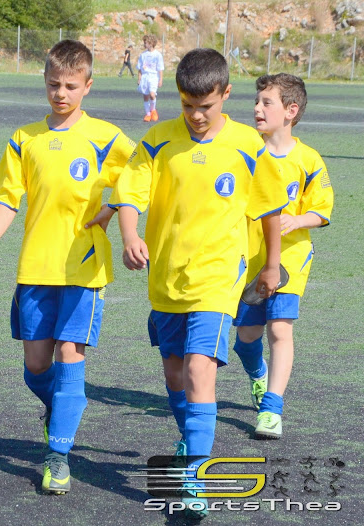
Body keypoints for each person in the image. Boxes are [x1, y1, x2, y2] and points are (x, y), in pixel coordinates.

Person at [101, 48, 288, 519]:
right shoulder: (157, 140)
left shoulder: (249, 145)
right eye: (188, 105)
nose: (196, 115)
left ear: (225, 94)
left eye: (206, 106)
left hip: (218, 279)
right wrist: (130, 236)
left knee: (200, 370)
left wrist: (271, 266)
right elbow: (129, 195)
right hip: (166, 279)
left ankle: (194, 477)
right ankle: (189, 439)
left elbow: (269, 211)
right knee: (175, 376)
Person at [0, 40, 135, 495]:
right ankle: (63, 406)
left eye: (70, 86)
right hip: (35, 267)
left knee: (69, 355)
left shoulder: (106, 137)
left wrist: (112, 210)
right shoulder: (25, 138)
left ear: (88, 86)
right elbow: (8, 197)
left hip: (83, 268)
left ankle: (58, 456)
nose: (60, 93)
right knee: (35, 365)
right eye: (53, 84)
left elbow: (142, 174)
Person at [232, 73, 334, 439]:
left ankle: (272, 409)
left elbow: (322, 210)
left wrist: (297, 219)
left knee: (279, 328)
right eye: (256, 102)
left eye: (266, 103)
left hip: (291, 258)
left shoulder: (308, 159)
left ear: (290, 111)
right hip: (248, 259)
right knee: (246, 337)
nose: (257, 109)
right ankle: (258, 374)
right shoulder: (245, 152)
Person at [137, 35, 164, 122]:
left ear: (151, 43)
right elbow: (140, 68)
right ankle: (148, 114)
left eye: (146, 43)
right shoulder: (143, 55)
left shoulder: (157, 55)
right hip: (145, 77)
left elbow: (160, 68)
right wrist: (139, 79)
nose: (144, 44)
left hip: (153, 77)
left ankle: (153, 110)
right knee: (145, 96)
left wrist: (160, 79)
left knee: (152, 95)